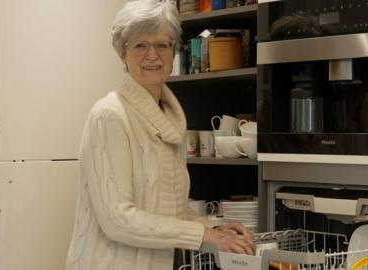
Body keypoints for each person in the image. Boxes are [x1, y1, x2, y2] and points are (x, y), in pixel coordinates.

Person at [65, 1, 255, 270]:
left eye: (162, 45)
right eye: (140, 45)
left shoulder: (168, 119)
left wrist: (216, 229)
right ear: (122, 54)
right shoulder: (109, 115)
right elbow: (119, 220)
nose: (152, 55)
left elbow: (168, 213)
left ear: (174, 52)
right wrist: (204, 236)